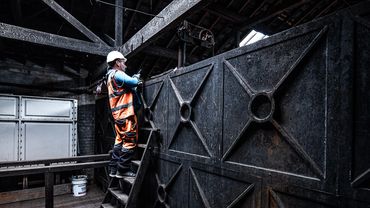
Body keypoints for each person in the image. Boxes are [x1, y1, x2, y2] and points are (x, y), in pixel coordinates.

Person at [106, 51, 142, 178]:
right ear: (117, 63)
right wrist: (136, 78)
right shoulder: (117, 74)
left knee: (119, 142)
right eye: (123, 62)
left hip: (118, 116)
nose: (125, 65)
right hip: (126, 115)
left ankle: (113, 169)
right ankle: (123, 170)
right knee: (129, 142)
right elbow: (133, 82)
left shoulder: (109, 77)